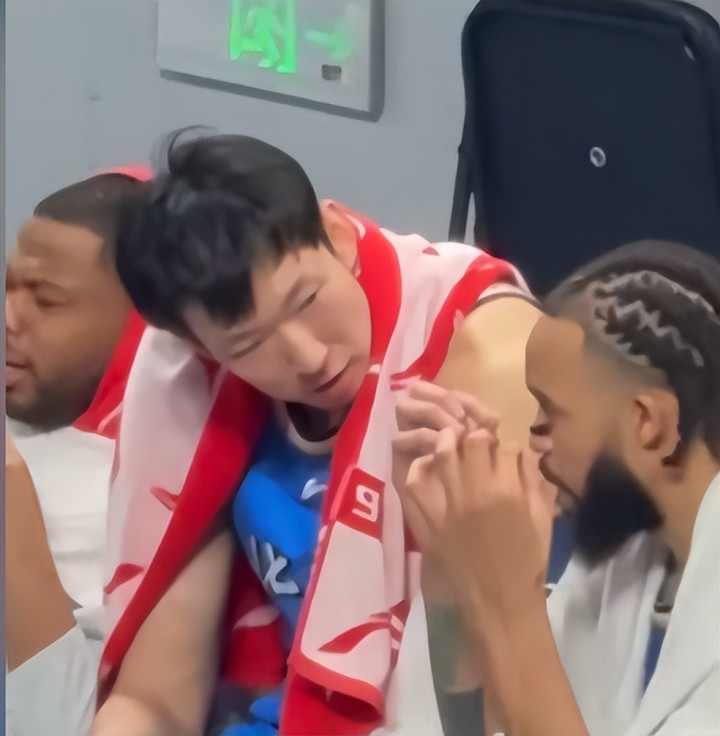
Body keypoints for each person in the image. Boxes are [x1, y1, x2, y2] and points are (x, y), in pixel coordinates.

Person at [90, 131, 543, 736]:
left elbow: (505, 682)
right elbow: (154, 698)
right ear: (201, 348)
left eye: (306, 300)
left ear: (336, 234)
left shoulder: (485, 348)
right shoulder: (192, 381)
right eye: (249, 345)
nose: (308, 357)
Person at [396, 240, 719, 736]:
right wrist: (449, 560)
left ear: (647, 423)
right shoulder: (627, 563)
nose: (533, 438)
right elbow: (474, 728)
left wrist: (512, 603)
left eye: (551, 412)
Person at [5, 167, 150, 736]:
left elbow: (64, 726)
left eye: (46, 300)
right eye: (9, 287)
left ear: (144, 324)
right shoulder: (31, 420)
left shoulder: (150, 507)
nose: (10, 319)